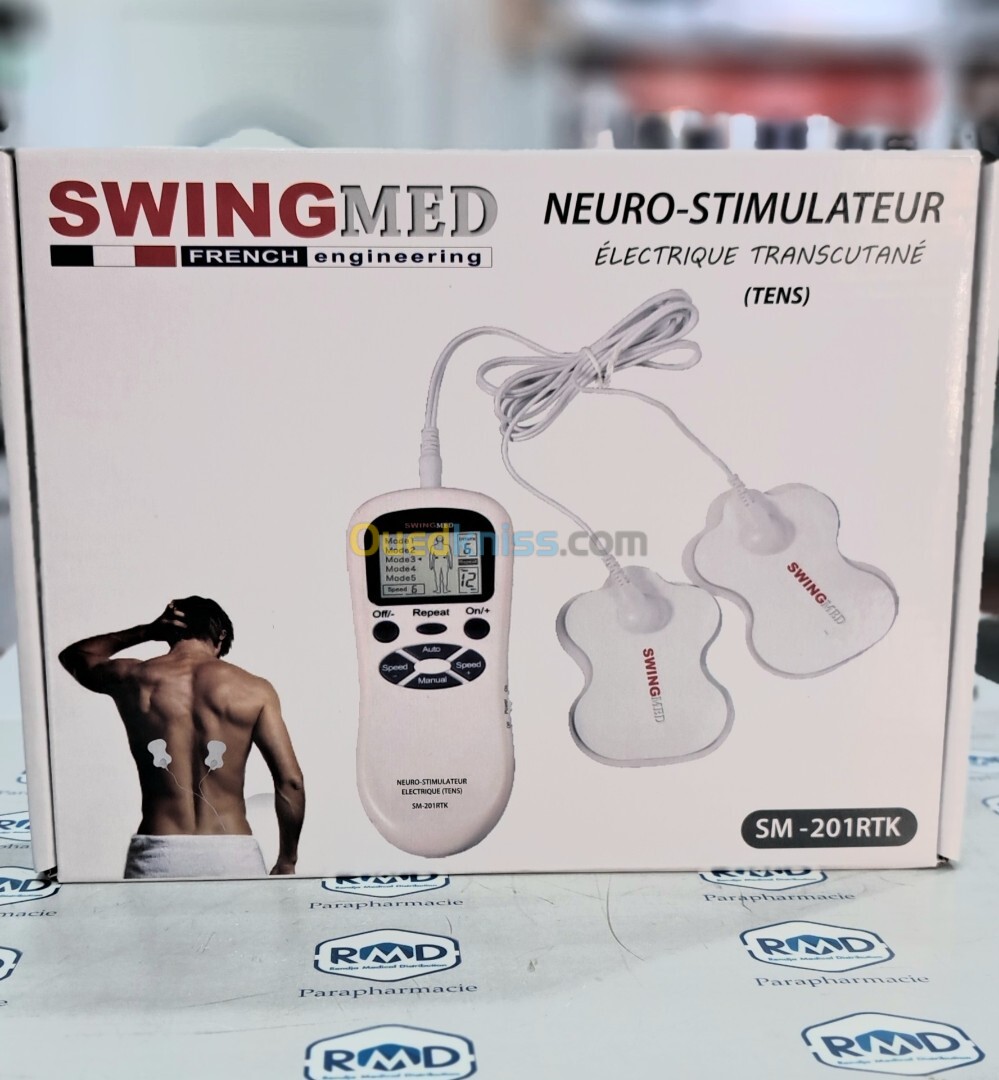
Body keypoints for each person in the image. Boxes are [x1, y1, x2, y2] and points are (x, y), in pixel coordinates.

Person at [58, 597, 305, 880]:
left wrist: (146, 631)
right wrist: (287, 861)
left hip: (158, 855)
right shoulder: (255, 689)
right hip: (233, 855)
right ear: (221, 637)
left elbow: (75, 656)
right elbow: (291, 781)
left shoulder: (133, 677)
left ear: (169, 631)